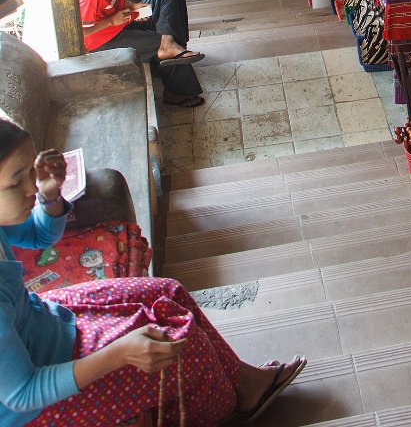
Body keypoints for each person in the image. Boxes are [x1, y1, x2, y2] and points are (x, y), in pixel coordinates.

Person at [0, 118, 307, 426]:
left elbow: (38, 236)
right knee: (189, 352)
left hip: (47, 321)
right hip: (40, 403)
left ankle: (246, 383)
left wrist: (50, 195)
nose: (31, 187)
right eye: (16, 182)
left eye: (31, 173)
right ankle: (222, 413)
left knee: (168, 291)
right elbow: (23, 394)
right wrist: (119, 354)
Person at [76, 0, 204, 107]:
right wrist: (111, 21)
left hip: (120, 19)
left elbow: (112, 0)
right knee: (158, 40)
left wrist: (131, 5)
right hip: (104, 39)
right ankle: (175, 91)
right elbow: (82, 32)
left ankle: (168, 44)